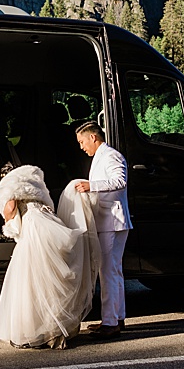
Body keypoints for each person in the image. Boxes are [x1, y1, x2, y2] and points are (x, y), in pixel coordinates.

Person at [0, 164, 98, 349]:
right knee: (52, 278)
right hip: (49, 223)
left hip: (34, 229)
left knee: (31, 280)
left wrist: (8, 222)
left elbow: (10, 207)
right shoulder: (36, 184)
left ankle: (35, 332)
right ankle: (56, 330)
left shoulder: (10, 187)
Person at [70, 121, 133, 334]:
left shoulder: (111, 156)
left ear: (93, 138)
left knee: (108, 271)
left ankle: (111, 323)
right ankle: (116, 317)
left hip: (112, 221)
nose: (81, 147)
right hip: (106, 220)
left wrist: (91, 186)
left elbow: (120, 181)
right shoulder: (100, 157)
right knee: (112, 271)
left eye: (82, 142)